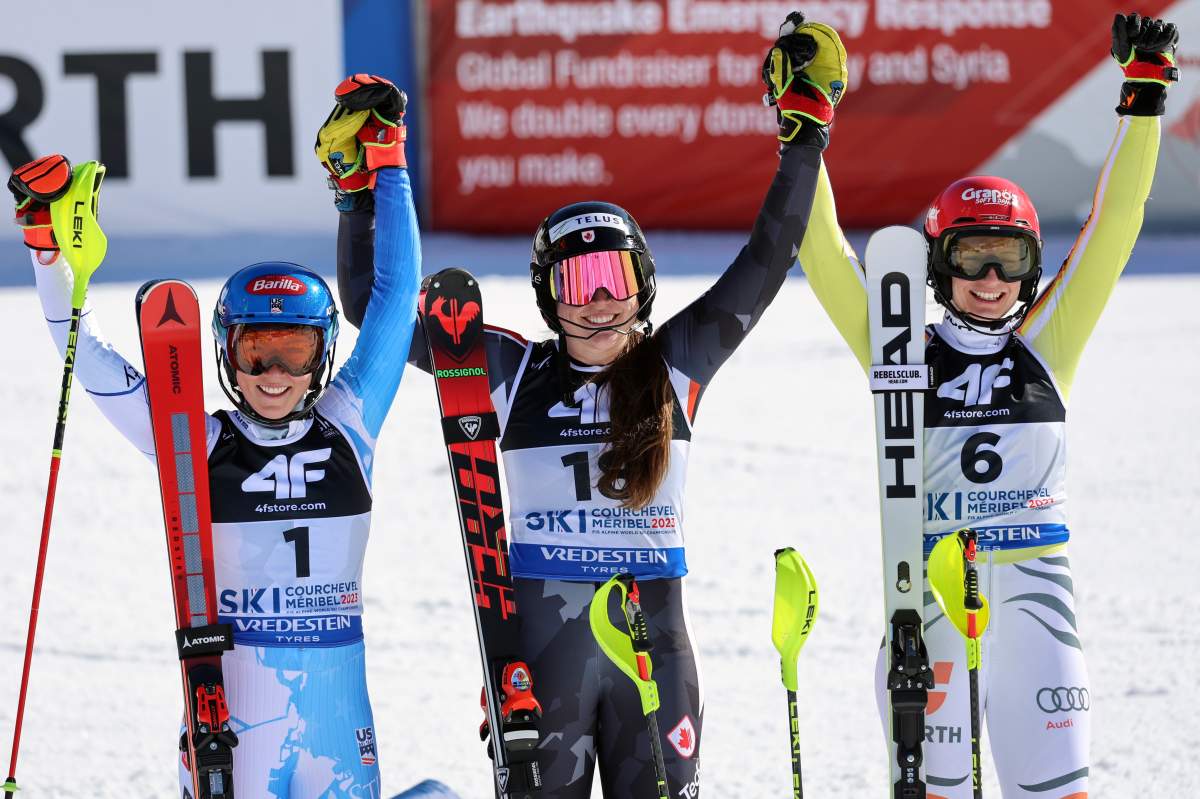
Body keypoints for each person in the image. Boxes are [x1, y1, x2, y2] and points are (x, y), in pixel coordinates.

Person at [333, 15, 847, 798]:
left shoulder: (676, 364)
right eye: (576, 283)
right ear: (548, 298)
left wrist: (805, 133)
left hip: (655, 655)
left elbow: (767, 260)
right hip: (544, 663)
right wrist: (359, 192)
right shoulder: (509, 372)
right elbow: (370, 306)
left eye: (615, 278)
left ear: (644, 284)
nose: (600, 302)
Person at [794, 13, 1178, 798]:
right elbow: (821, 249)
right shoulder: (899, 348)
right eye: (971, 256)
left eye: (1010, 258)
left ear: (1033, 268)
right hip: (930, 613)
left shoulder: (1049, 343)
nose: (992, 279)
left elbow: (1115, 225)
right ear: (939, 266)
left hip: (1038, 614)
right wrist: (802, 128)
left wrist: (1142, 97)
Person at [11, 75, 419, 797]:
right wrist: (50, 257)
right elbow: (92, 363)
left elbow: (396, 296)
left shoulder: (351, 423)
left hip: (338, 727)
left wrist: (390, 163)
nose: (273, 373)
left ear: (322, 353)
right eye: (254, 351)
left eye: (293, 352)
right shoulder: (193, 443)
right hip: (236, 726)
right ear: (226, 355)